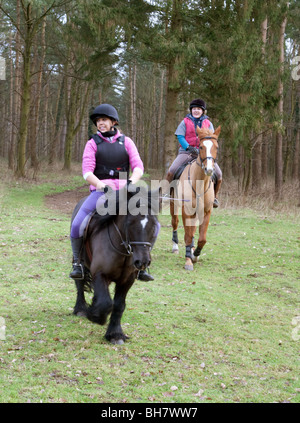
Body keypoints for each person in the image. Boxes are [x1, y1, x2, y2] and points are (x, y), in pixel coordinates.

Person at [70, 103, 154, 282]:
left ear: (113, 122)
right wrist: (101, 185)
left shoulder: (127, 142)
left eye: (104, 120)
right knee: (77, 224)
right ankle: (77, 263)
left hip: (125, 191)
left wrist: (131, 181)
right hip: (101, 191)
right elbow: (87, 172)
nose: (101, 123)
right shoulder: (92, 143)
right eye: (98, 121)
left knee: (154, 224)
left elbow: (138, 166)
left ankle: (142, 265)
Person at [166, 98, 222, 207]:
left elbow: (212, 139)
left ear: (203, 111)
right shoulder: (185, 121)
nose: (196, 111)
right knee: (171, 171)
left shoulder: (208, 123)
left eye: (199, 109)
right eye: (194, 109)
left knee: (219, 174)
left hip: (204, 154)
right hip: (186, 153)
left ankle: (214, 197)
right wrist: (188, 147)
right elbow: (180, 136)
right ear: (191, 110)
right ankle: (168, 194)